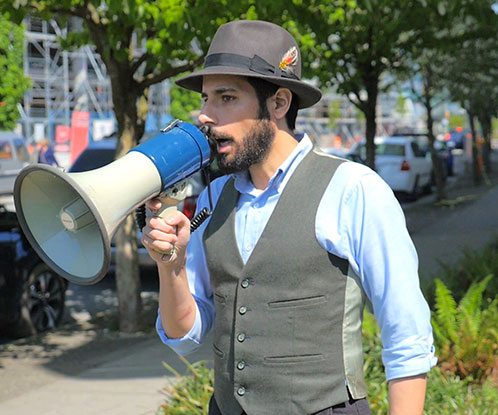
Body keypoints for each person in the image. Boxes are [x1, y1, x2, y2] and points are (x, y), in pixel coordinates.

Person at [142, 20, 436, 415]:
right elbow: (185, 335)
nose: (205, 116)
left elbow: (407, 335)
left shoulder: (352, 188)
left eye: (226, 98)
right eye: (206, 98)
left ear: (279, 103)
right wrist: (171, 265)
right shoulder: (214, 196)